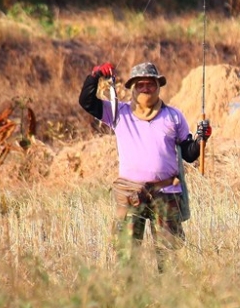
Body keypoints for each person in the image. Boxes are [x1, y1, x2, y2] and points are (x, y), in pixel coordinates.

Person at [79, 61, 211, 253]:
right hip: (130, 194)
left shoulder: (173, 116)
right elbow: (86, 101)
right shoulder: (118, 113)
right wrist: (95, 75)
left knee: (169, 256)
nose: (145, 88)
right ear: (133, 88)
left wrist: (201, 139)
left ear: (158, 86)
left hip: (166, 194)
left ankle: (166, 284)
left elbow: (189, 154)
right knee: (126, 256)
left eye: (150, 83)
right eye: (140, 84)